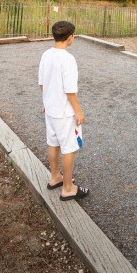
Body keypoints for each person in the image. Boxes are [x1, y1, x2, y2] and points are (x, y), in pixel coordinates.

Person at [38, 20, 89, 202]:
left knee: (53, 143)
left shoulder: (46, 55)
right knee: (68, 147)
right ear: (70, 38)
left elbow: (42, 82)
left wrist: (46, 101)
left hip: (50, 109)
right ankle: (68, 188)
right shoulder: (68, 59)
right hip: (64, 111)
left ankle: (55, 177)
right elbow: (70, 90)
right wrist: (78, 110)